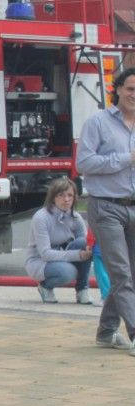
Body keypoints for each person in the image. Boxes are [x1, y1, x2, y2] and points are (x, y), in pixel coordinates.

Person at [78, 65, 135, 354]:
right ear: (118, 90)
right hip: (106, 206)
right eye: (130, 89)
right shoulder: (98, 122)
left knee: (129, 273)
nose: (134, 95)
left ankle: (106, 331)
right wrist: (126, 158)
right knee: (121, 272)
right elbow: (84, 163)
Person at [24, 177, 93, 305]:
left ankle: (82, 289)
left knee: (85, 244)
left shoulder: (76, 217)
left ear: (75, 197)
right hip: (40, 260)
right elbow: (45, 254)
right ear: (53, 197)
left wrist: (89, 251)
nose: (66, 199)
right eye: (61, 195)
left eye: (70, 195)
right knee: (68, 272)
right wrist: (78, 255)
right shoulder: (41, 217)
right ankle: (45, 286)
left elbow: (85, 243)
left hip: (62, 255)